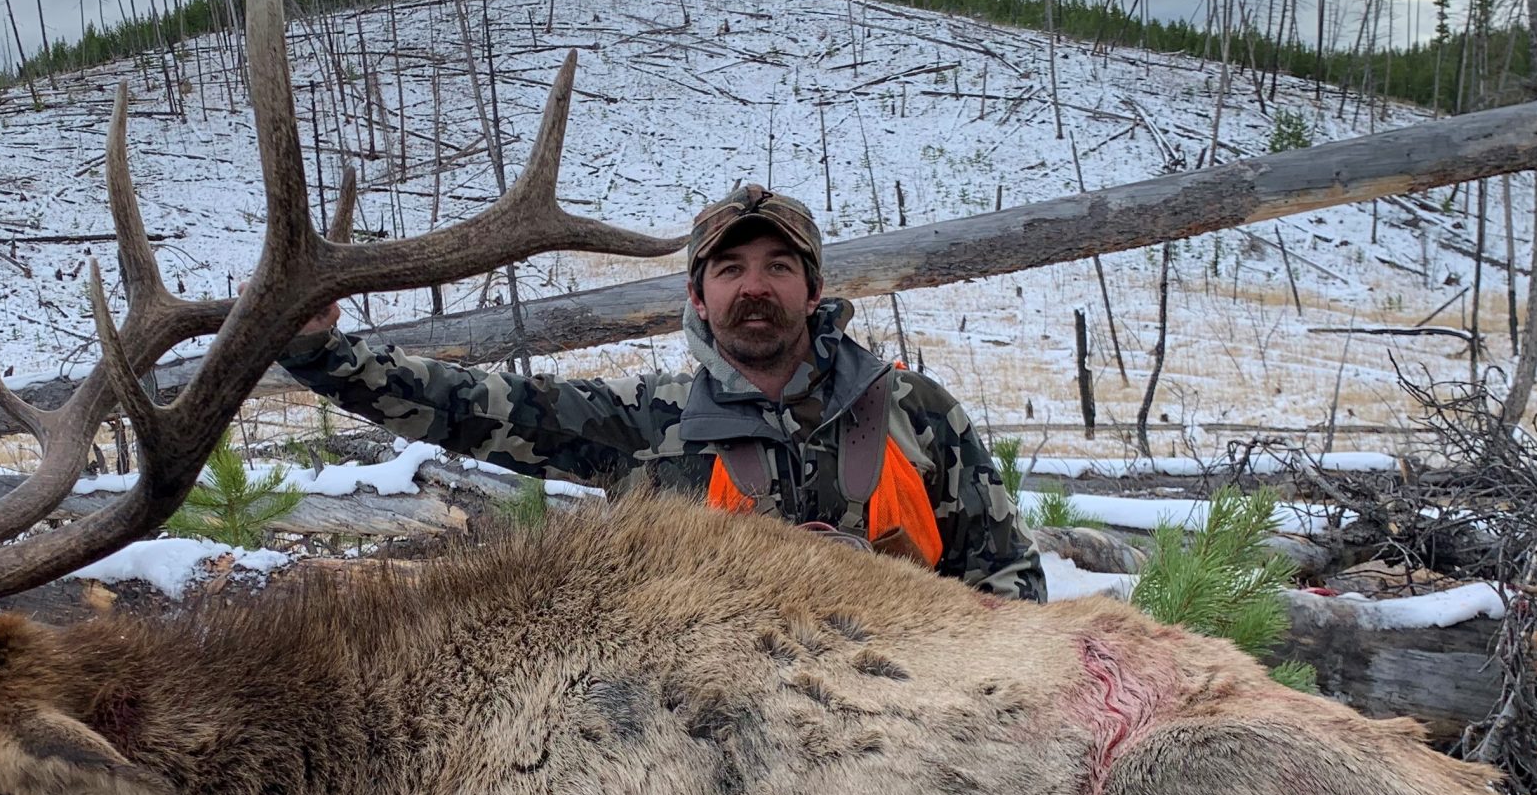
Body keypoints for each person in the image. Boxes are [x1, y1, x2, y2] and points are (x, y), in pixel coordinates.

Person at [280, 183, 1045, 599]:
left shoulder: (917, 412)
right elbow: (470, 407)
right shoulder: (649, 424)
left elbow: (1009, 577)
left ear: (813, 290)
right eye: (730, 269)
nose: (754, 287)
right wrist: (325, 355)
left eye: (779, 268)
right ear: (698, 296)